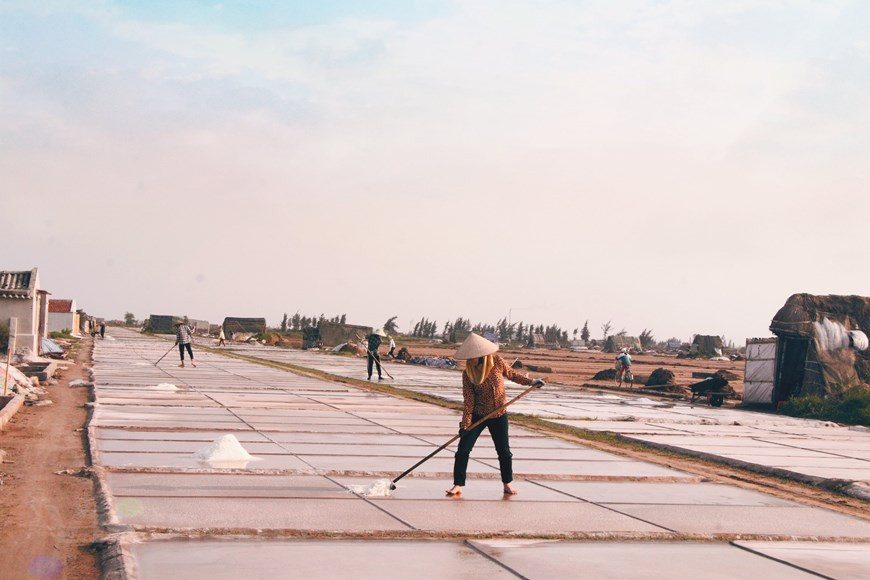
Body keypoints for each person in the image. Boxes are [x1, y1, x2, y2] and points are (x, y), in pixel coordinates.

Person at [446, 333, 544, 497]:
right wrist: (465, 425)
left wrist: (532, 382)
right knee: (463, 450)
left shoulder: (497, 362)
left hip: (499, 413)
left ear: (480, 356)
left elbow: (513, 375)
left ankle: (507, 483)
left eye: (471, 357)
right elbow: (469, 401)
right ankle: (458, 484)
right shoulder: (468, 374)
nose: (468, 361)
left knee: (504, 451)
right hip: (478, 415)